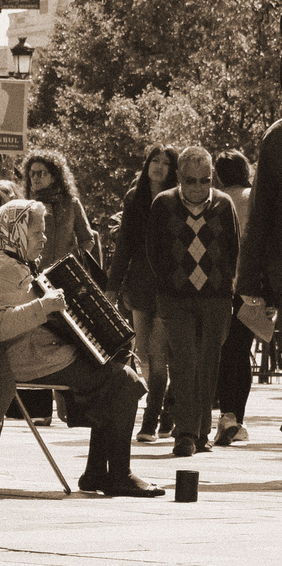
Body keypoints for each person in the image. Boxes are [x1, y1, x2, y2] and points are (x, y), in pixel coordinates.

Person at [0, 198, 165, 496]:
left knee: (117, 360)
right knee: (123, 380)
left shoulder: (6, 259)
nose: (44, 239)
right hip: (23, 358)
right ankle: (117, 474)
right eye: (36, 233)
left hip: (28, 352)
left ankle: (98, 472)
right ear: (16, 231)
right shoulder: (4, 265)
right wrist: (44, 306)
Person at [146, 146, 239, 457]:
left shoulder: (224, 206)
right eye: (191, 180)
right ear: (179, 178)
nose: (198, 187)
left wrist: (227, 292)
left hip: (214, 299)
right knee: (184, 363)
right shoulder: (163, 205)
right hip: (176, 299)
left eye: (204, 180)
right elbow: (153, 252)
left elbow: (233, 252)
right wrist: (167, 287)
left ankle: (201, 432)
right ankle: (184, 435)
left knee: (208, 365)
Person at [105, 145, 179, 443]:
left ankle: (151, 421)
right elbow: (123, 245)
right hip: (139, 284)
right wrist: (112, 287)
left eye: (166, 162)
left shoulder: (177, 198)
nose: (159, 166)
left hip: (167, 286)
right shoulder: (134, 196)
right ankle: (168, 411)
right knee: (145, 356)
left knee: (159, 355)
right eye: (155, 160)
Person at [21, 149, 97, 425]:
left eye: (41, 173)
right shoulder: (25, 205)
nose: (36, 178)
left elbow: (87, 238)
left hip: (65, 280)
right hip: (34, 279)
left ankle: (69, 407)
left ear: (55, 175)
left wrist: (73, 259)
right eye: (32, 174)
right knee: (39, 337)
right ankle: (42, 409)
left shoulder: (70, 203)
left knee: (67, 338)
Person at [213, 150, 254, 445]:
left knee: (223, 351)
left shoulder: (213, 198)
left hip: (216, 287)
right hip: (250, 288)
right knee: (241, 352)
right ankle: (234, 417)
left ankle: (225, 415)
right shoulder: (253, 197)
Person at [236, 118, 282, 310]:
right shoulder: (277, 136)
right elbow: (262, 208)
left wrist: (249, 278)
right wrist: (249, 277)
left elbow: (261, 209)